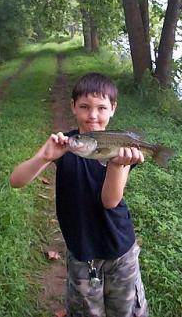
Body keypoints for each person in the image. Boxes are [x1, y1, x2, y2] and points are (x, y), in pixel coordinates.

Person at [10, 73, 148, 317]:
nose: (92, 115)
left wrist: (117, 165)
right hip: (81, 252)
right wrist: (44, 156)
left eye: (101, 108)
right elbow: (16, 181)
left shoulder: (121, 149)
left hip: (120, 250)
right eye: (84, 107)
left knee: (126, 311)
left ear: (112, 109)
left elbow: (110, 201)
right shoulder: (65, 145)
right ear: (73, 107)